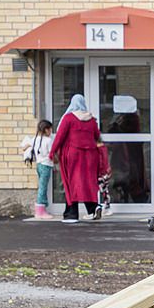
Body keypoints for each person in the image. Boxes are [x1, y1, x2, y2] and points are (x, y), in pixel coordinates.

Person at [50, 94, 104, 223]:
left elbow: (60, 136)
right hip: (90, 156)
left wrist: (52, 152)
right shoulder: (91, 120)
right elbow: (97, 135)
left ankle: (71, 214)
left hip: (72, 154)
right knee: (88, 183)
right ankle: (93, 208)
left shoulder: (69, 118)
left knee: (71, 183)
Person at [20, 119, 54, 219]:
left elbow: (24, 148)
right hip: (46, 165)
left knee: (41, 186)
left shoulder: (35, 139)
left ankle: (41, 209)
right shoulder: (48, 140)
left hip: (39, 165)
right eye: (50, 129)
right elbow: (51, 154)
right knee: (43, 188)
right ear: (46, 130)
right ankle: (40, 212)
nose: (51, 131)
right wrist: (56, 160)